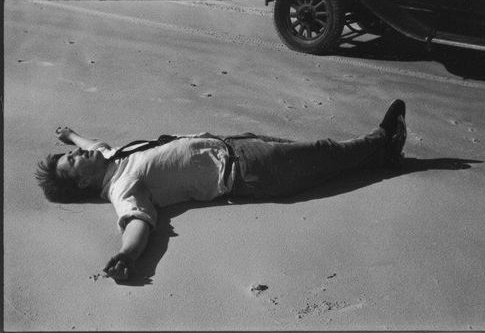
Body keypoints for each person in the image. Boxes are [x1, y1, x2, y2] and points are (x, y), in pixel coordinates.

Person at [35, 99, 407, 281]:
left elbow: (96, 143)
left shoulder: (111, 158)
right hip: (245, 171)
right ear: (83, 182)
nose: (78, 152)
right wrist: (127, 256)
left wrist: (71, 134)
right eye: (72, 159)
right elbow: (138, 221)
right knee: (322, 155)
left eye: (70, 152)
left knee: (312, 153)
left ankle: (377, 154)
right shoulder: (121, 187)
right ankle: (382, 142)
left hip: (234, 145)